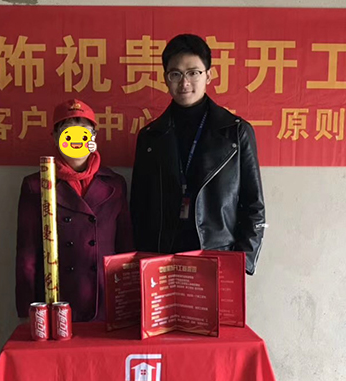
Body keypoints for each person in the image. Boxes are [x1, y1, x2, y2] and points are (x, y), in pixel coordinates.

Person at [130, 34, 267, 275]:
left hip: (217, 259)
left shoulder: (235, 132)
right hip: (162, 261)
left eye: (193, 73)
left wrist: (241, 263)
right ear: (165, 78)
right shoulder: (150, 137)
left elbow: (254, 205)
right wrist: (143, 262)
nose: (184, 83)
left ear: (208, 75)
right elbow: (139, 208)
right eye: (175, 74)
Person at [15, 99, 134, 322]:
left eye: (84, 132)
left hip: (104, 298)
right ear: (55, 137)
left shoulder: (115, 184)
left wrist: (129, 300)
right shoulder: (36, 185)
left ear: (94, 137)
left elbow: (125, 247)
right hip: (57, 299)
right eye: (68, 132)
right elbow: (27, 254)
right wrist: (27, 310)